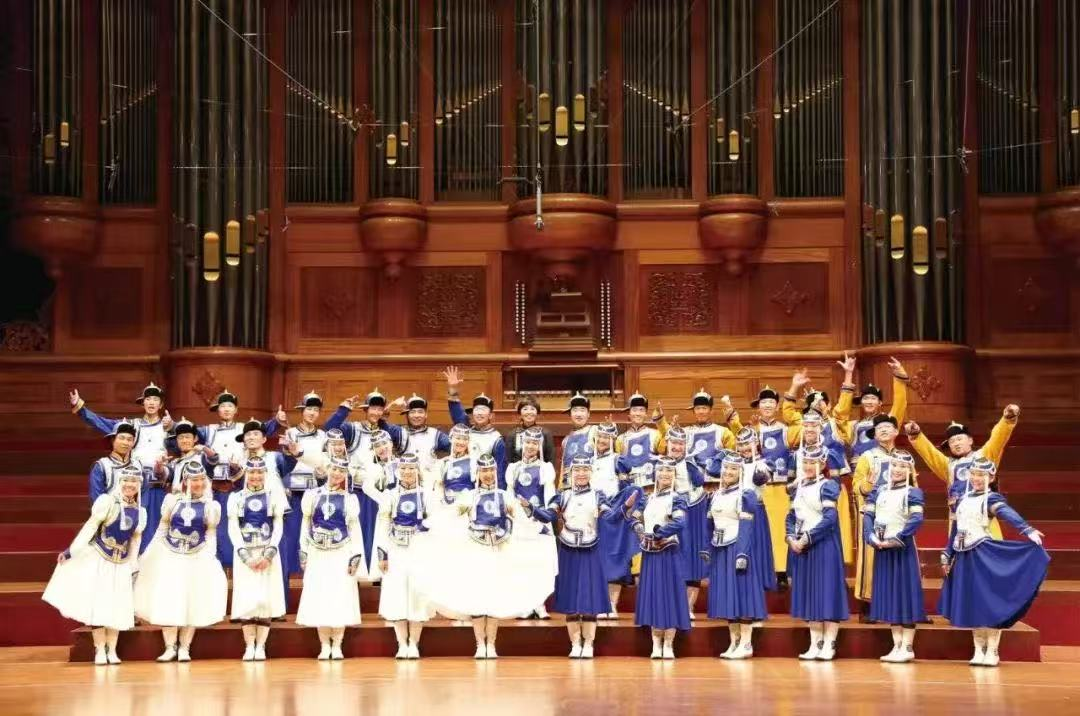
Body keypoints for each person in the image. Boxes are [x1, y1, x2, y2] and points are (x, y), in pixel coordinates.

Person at [417, 454, 555, 659]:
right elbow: (449, 515)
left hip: (498, 552)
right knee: (477, 598)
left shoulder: (505, 496)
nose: (488, 474)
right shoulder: (469, 497)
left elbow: (522, 519)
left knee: (493, 599)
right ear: (478, 473)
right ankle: (480, 643)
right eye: (484, 471)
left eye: (490, 470)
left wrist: (539, 530)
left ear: (495, 472)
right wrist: (428, 525)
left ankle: (491, 643)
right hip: (476, 552)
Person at [938, 457, 1049, 667]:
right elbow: (956, 530)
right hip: (963, 557)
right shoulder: (962, 498)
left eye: (981, 475)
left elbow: (1006, 512)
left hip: (982, 553)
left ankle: (992, 649)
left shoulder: (991, 498)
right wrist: (948, 553)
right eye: (974, 474)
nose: (976, 478)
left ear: (991, 478)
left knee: (987, 602)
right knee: (972, 602)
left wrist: (1026, 529)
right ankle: (978, 649)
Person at [42, 465, 146, 665]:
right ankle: (100, 649)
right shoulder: (107, 502)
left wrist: (133, 564)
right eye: (126, 480)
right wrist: (72, 551)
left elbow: (135, 540)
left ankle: (112, 649)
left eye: (134, 481)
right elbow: (90, 527)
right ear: (120, 482)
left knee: (117, 604)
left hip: (121, 563)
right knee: (99, 603)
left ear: (139, 485)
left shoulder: (140, 512)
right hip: (101, 558)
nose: (130, 485)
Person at [532, 455, 633, 658]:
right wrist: (530, 508)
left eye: (585, 470)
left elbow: (610, 517)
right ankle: (575, 643)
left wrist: (625, 507)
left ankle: (589, 644)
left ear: (590, 473)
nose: (581, 473)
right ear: (571, 473)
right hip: (567, 550)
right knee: (571, 598)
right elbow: (548, 516)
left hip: (590, 549)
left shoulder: (598, 496)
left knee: (589, 598)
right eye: (577, 470)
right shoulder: (562, 496)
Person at [134, 461, 228, 662]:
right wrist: (151, 552)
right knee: (170, 599)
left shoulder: (211, 506)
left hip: (196, 556)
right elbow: (162, 528)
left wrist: (209, 557)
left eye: (201, 479)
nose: (198, 483)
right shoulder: (172, 501)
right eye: (194, 479)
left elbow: (211, 534)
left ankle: (185, 647)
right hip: (172, 555)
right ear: (185, 481)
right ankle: (170, 647)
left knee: (191, 600)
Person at [905, 404, 1021, 540]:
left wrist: (1007, 419)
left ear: (970, 440)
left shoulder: (984, 456)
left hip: (983, 517)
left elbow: (997, 439)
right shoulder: (948, 466)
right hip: (958, 521)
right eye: (952, 441)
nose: (956, 443)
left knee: (990, 550)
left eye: (959, 439)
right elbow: (930, 454)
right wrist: (916, 436)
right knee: (958, 552)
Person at [362, 453, 436, 659]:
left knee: (417, 596)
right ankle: (402, 643)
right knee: (397, 594)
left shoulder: (427, 495)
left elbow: (435, 522)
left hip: (420, 550)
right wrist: (382, 554)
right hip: (396, 549)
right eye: (403, 469)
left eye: (411, 468)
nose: (407, 472)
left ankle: (414, 643)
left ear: (417, 470)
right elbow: (383, 526)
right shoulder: (390, 495)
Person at [295, 456, 365, 660]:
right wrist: (303, 549)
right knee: (320, 595)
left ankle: (338, 644)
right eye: (334, 469)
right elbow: (305, 524)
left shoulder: (350, 499)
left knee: (340, 595)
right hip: (317, 552)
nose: (337, 474)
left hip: (341, 552)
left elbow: (355, 529)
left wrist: (355, 556)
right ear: (327, 470)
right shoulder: (312, 495)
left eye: (341, 471)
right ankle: (324, 644)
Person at [861, 451, 926, 662]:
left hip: (902, 549)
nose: (897, 470)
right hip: (882, 549)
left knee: (904, 595)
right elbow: (868, 516)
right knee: (890, 594)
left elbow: (916, 519)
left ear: (910, 471)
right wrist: (871, 537)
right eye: (894, 465)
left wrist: (898, 538)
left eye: (902, 467)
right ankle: (896, 645)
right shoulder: (878, 490)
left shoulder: (913, 492)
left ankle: (907, 647)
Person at [701, 454, 768, 660]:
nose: (729, 472)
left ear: (741, 472)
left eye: (733, 469)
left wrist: (742, 553)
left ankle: (746, 644)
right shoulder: (715, 495)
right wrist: (706, 548)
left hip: (737, 549)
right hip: (720, 550)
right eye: (726, 468)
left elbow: (747, 528)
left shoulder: (745, 495)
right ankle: (734, 642)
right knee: (728, 597)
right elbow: (709, 525)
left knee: (742, 595)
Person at [786, 445, 849, 661]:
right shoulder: (798, 486)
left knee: (827, 592)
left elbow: (830, 518)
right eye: (805, 462)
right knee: (810, 593)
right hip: (802, 547)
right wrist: (791, 538)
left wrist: (807, 538)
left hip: (824, 545)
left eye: (812, 463)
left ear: (822, 464)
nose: (808, 466)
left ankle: (829, 643)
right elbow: (791, 517)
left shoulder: (828, 486)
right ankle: (815, 643)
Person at [227, 456, 286, 661]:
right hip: (245, 555)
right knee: (247, 599)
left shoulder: (274, 496)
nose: (255, 476)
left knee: (265, 599)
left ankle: (261, 645)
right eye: (252, 472)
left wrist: (270, 552)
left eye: (259, 472)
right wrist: (244, 554)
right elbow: (233, 528)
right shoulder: (236, 497)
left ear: (265, 474)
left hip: (267, 554)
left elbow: (278, 526)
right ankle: (249, 645)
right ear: (246, 474)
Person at [631, 456, 690, 659]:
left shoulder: (678, 498)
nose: (665, 474)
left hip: (669, 553)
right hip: (650, 555)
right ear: (655, 474)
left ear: (674, 475)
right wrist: (640, 530)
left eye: (669, 471)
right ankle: (656, 643)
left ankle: (669, 644)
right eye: (662, 471)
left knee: (670, 595)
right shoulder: (647, 497)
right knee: (653, 595)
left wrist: (659, 533)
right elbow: (633, 518)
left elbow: (680, 523)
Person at [851, 413, 908, 603]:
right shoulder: (867, 457)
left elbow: (913, 484)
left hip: (899, 514)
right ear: (874, 435)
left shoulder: (905, 457)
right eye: (879, 428)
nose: (883, 430)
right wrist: (867, 484)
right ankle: (868, 601)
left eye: (887, 427)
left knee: (901, 552)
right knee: (870, 555)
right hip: (874, 513)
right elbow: (856, 487)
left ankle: (899, 600)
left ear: (896, 431)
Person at [505, 427, 559, 619]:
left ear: (539, 446)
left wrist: (545, 517)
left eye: (534, 443)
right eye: (527, 442)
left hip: (538, 519)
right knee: (522, 563)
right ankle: (525, 604)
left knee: (540, 563)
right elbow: (509, 496)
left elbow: (550, 496)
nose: (530, 446)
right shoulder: (513, 468)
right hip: (519, 522)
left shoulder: (546, 468)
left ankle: (539, 604)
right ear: (522, 444)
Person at [444, 367, 508, 487]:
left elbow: (500, 469)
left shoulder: (496, 439)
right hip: (462, 482)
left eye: (483, 410)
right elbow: (457, 413)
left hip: (484, 486)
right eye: (477, 409)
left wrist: (499, 493)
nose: (479, 413)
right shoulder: (467, 430)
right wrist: (453, 389)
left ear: (491, 415)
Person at [837, 358, 909, 460]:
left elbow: (900, 403)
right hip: (857, 466)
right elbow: (839, 417)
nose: (869, 401)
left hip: (883, 464)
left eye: (873, 398)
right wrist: (848, 374)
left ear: (880, 403)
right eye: (866, 398)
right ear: (861, 402)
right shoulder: (853, 426)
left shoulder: (888, 421)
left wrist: (898, 372)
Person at [616, 392, 670, 488]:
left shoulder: (655, 434)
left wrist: (660, 420)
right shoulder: (621, 439)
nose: (638, 413)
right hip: (630, 489)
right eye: (634, 410)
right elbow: (620, 467)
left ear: (646, 414)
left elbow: (668, 439)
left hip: (651, 487)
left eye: (641, 410)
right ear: (629, 414)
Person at [399, 394, 451, 477]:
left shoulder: (435, 434)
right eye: (412, 412)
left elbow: (455, 446)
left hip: (429, 479)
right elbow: (383, 426)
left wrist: (442, 463)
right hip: (406, 479)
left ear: (426, 414)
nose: (416, 415)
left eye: (420, 412)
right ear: (407, 415)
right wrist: (385, 413)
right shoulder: (399, 432)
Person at [684, 388, 736, 465]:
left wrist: (734, 423)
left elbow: (733, 453)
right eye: (698, 408)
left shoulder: (723, 432)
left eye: (704, 408)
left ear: (711, 411)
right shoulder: (685, 432)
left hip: (716, 471)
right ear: (693, 411)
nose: (701, 412)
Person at [560, 392, 598, 488]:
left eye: (582, 410)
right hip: (569, 488)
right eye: (575, 410)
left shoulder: (595, 431)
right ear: (570, 414)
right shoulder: (566, 440)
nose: (579, 414)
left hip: (591, 486)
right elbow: (563, 469)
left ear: (588, 414)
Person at [506, 396, 556, 464]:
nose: (529, 412)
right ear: (520, 413)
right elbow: (509, 460)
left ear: (537, 412)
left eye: (532, 409)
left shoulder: (545, 433)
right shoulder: (512, 434)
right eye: (525, 409)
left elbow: (551, 460)